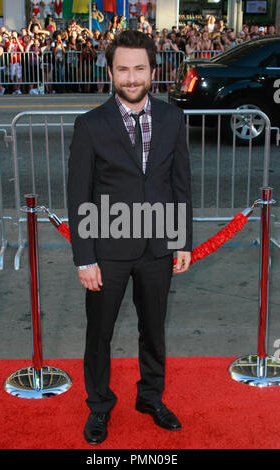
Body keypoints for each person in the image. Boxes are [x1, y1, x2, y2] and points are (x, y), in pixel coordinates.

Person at [68, 30, 192, 446]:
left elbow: (180, 184)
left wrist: (183, 240)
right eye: (123, 68)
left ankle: (150, 398)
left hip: (158, 246)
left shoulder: (174, 119)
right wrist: (84, 258)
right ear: (110, 72)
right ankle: (99, 406)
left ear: (153, 71)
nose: (132, 77)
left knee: (154, 329)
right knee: (98, 333)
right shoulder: (90, 125)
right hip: (107, 250)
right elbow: (78, 193)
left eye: (140, 68)